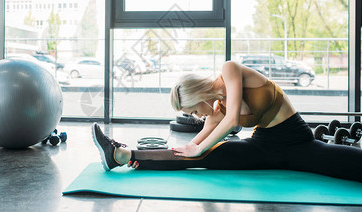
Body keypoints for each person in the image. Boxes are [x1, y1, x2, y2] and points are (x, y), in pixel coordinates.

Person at [92, 61, 362, 182]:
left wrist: (198, 148)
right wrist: (146, 157)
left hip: (299, 143)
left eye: (192, 110)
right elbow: (193, 148)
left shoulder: (230, 70)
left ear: (198, 95)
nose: (196, 117)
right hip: (262, 147)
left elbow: (233, 120)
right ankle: (119, 154)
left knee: (352, 165)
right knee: (202, 157)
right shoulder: (216, 109)